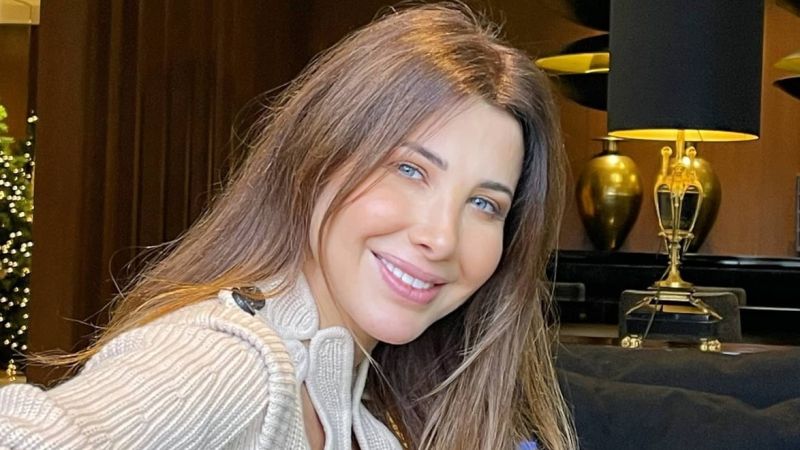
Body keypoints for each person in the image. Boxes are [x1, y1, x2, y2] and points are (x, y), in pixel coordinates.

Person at [0, 3, 577, 449]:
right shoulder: (233, 361)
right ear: (318, 159)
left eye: (485, 205)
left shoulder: (368, 412)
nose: (442, 237)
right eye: (409, 169)